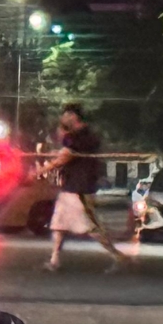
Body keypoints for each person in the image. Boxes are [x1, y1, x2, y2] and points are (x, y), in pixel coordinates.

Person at [38, 103, 128, 271]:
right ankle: (54, 260)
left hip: (80, 188)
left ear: (73, 116)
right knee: (58, 224)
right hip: (70, 187)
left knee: (91, 227)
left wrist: (41, 171)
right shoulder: (74, 136)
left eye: (66, 115)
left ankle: (118, 256)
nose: (63, 118)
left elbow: (64, 157)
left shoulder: (83, 137)